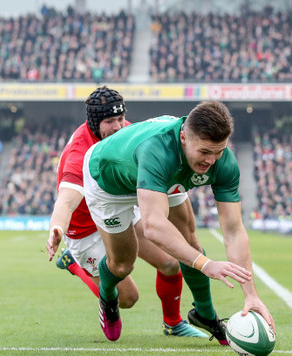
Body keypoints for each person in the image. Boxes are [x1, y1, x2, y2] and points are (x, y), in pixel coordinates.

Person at [81, 100, 274, 342]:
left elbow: (234, 231)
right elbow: (153, 226)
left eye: (219, 151)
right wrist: (205, 264)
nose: (211, 161)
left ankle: (205, 314)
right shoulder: (157, 151)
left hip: (164, 176)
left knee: (190, 243)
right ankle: (107, 295)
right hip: (108, 181)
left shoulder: (221, 161)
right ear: (183, 137)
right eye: (204, 152)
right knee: (122, 265)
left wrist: (251, 294)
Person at [46, 86, 206, 340]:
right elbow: (66, 201)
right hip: (86, 229)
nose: (119, 126)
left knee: (169, 261)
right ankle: (75, 264)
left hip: (120, 208)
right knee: (128, 298)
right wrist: (57, 227)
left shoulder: (126, 130)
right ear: (94, 122)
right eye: (110, 121)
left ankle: (173, 323)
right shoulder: (79, 154)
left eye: (121, 119)